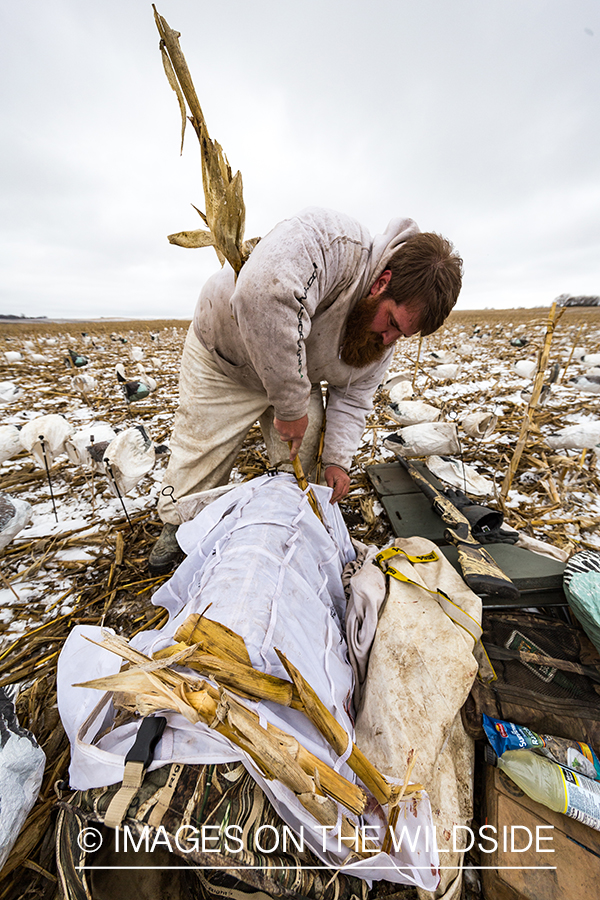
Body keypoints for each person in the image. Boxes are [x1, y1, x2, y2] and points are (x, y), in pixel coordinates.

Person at [149, 206, 462, 573]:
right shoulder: (332, 244)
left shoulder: (383, 339)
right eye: (391, 322)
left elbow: (354, 395)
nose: (389, 339)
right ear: (381, 283)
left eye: (401, 335)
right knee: (199, 450)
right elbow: (259, 295)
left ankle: (289, 528)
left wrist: (337, 461)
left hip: (296, 375)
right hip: (226, 359)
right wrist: (291, 406)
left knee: (306, 467)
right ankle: (178, 524)